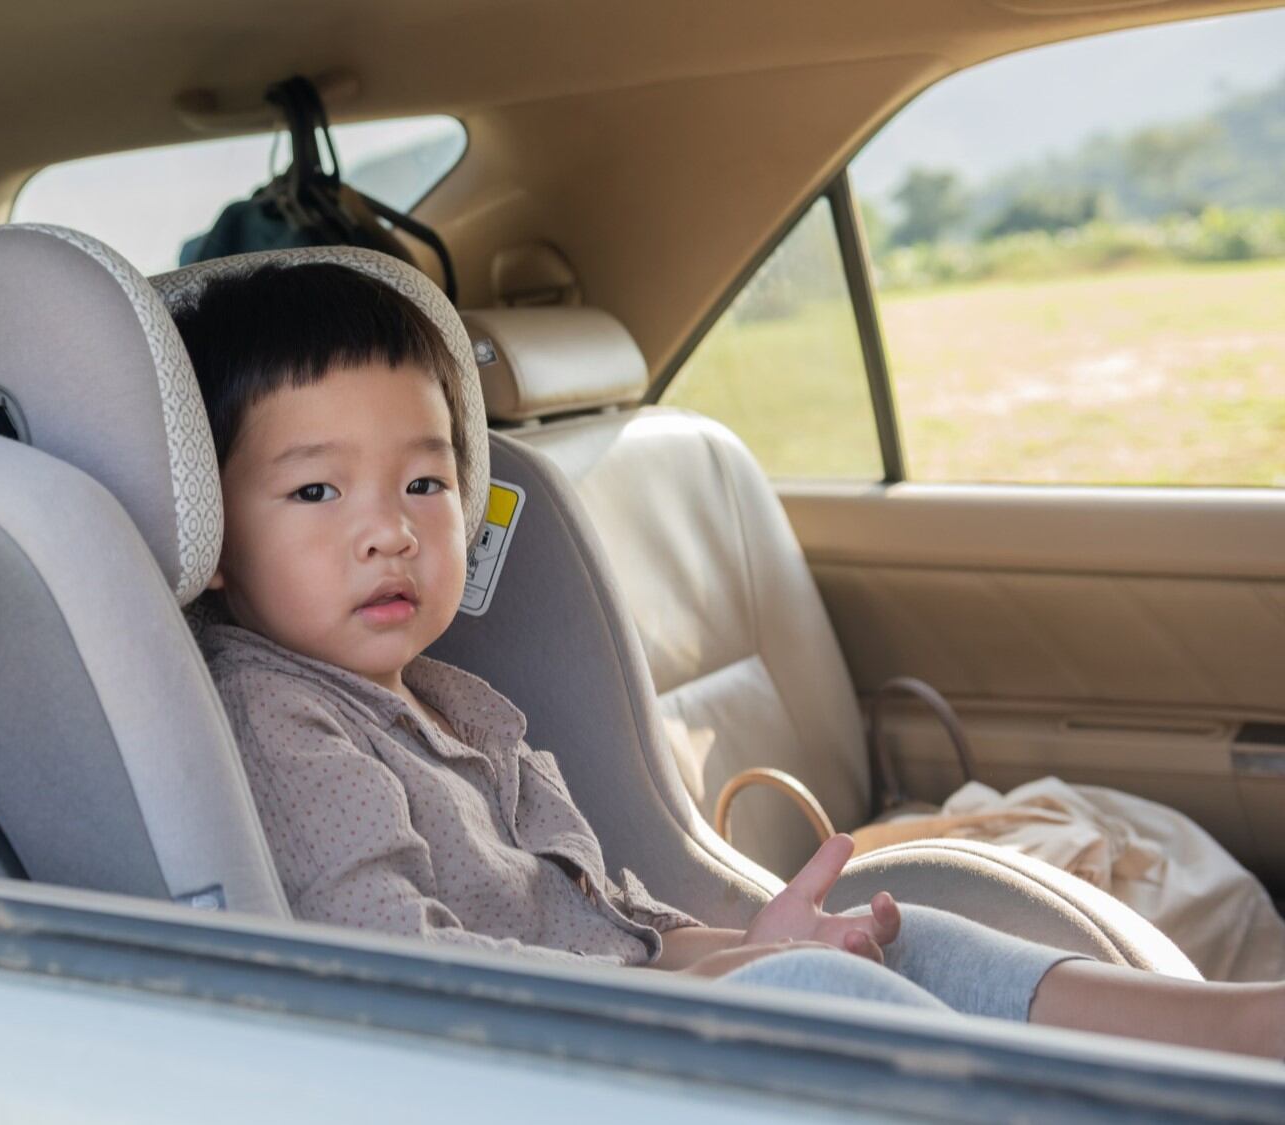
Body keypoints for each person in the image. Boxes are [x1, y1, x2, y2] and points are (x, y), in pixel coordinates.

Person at [172, 260, 1285, 1059]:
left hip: (611, 1014)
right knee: (811, 991)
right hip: (525, 1063)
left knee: (895, 943)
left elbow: (601, 914)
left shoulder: (452, 704)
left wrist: (730, 946)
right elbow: (406, 975)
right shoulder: (280, 720)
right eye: (316, 490)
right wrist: (730, 975)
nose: (389, 529)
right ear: (211, 534)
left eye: (423, 482)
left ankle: (1234, 1034)